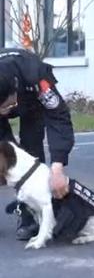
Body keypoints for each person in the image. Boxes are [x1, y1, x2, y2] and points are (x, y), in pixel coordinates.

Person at [0, 48, 74, 240]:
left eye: (7, 106)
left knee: (31, 148)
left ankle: (29, 213)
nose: (5, 113)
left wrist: (57, 168)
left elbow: (58, 117)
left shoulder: (36, 78)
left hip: (31, 104)